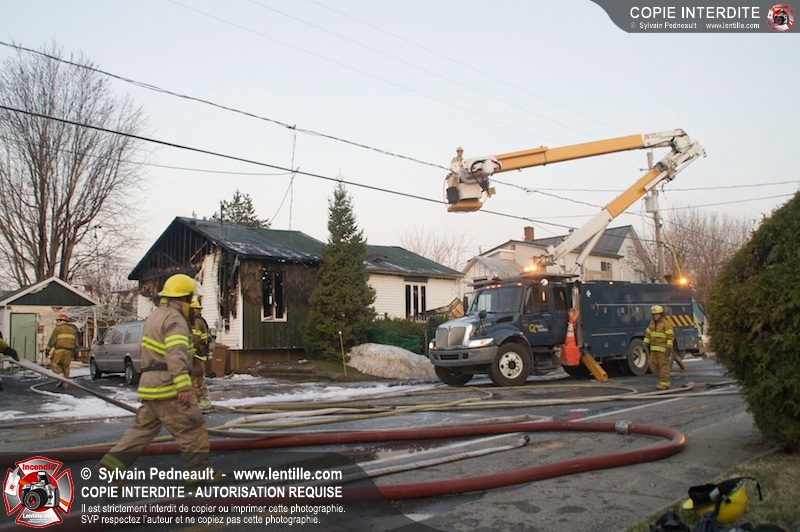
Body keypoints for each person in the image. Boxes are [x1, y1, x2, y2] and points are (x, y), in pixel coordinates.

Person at [98, 274, 221, 483]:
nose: (192, 304)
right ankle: (198, 474)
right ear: (182, 298)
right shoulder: (175, 320)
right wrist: (183, 386)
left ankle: (112, 465)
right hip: (168, 385)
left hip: (149, 384)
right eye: (190, 298)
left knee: (143, 430)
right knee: (191, 428)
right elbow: (176, 354)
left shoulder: (154, 316)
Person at [189, 298, 212, 414]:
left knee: (195, 381)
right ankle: (204, 402)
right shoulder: (201, 321)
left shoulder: (196, 322)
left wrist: (189, 353)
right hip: (200, 356)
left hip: (196, 356)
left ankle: (199, 403)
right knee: (199, 381)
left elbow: (195, 339)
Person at [644, 305, 675, 390]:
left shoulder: (666, 324)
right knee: (652, 366)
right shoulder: (652, 324)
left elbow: (670, 336)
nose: (655, 316)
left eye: (657, 314)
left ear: (661, 314)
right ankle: (662, 380)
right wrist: (645, 344)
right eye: (654, 314)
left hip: (663, 350)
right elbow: (648, 335)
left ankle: (665, 383)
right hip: (654, 350)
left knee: (664, 367)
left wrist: (669, 347)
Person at [47, 314, 77, 389]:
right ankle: (65, 384)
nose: (56, 322)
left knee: (54, 364)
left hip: (59, 351)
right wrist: (75, 352)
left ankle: (61, 377)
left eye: (57, 320)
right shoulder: (72, 330)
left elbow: (52, 341)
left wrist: (47, 350)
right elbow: (76, 343)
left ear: (60, 320)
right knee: (65, 367)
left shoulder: (57, 329)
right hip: (69, 352)